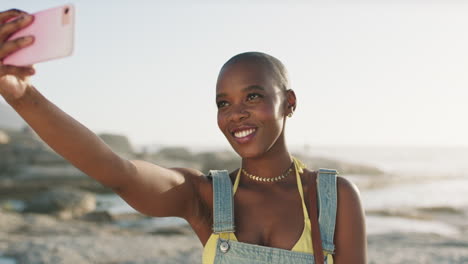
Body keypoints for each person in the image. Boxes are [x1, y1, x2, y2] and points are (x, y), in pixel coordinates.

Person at [0, 9, 367, 264]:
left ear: (289, 102)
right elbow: (117, 171)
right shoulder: (204, 196)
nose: (235, 112)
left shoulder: (333, 198)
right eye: (223, 103)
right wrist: (21, 96)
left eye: (252, 96)